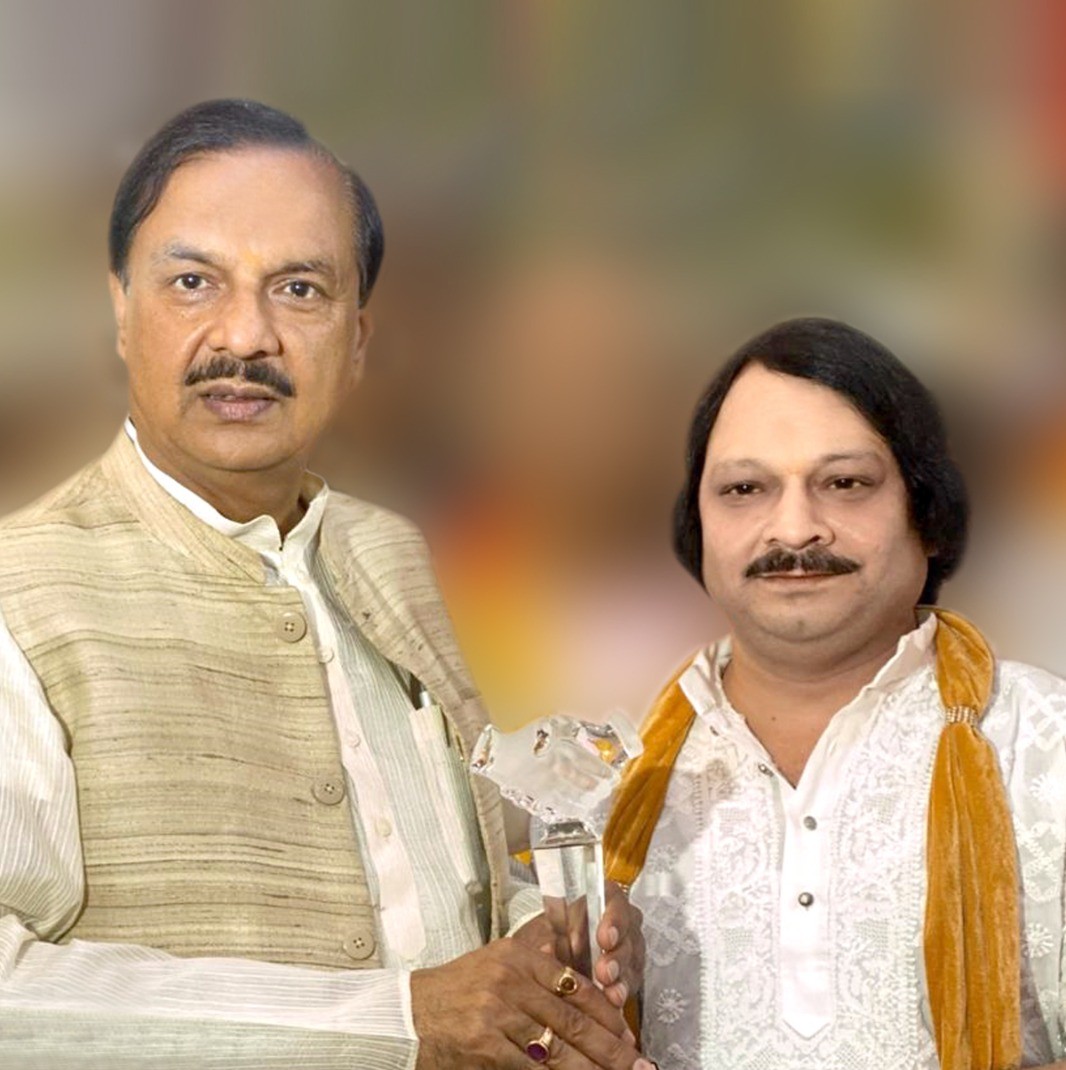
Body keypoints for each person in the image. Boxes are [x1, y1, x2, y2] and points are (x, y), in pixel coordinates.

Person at [0, 99, 649, 1070]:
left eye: (299, 288)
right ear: (121, 310)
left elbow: (451, 885)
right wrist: (400, 1019)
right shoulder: (22, 593)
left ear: (357, 340)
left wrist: (546, 942)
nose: (245, 335)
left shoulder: (389, 554)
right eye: (193, 282)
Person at [603, 317, 1066, 1070]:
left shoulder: (1041, 743)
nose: (794, 529)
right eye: (744, 489)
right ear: (698, 529)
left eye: (844, 484)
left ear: (929, 517)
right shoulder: (608, 775)